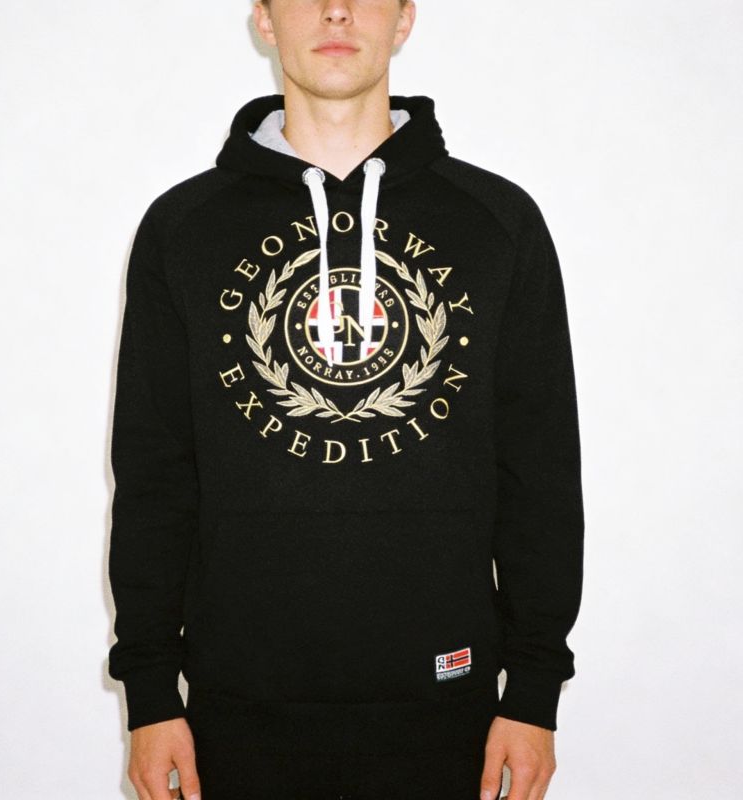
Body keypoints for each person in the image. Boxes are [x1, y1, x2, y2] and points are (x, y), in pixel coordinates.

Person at [107, 1, 584, 798]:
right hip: (237, 711)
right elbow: (155, 476)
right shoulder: (183, 229)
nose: (335, 9)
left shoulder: (497, 223)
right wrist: (151, 694)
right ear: (265, 20)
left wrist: (534, 690)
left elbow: (540, 471)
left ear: (404, 20)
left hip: (448, 705)